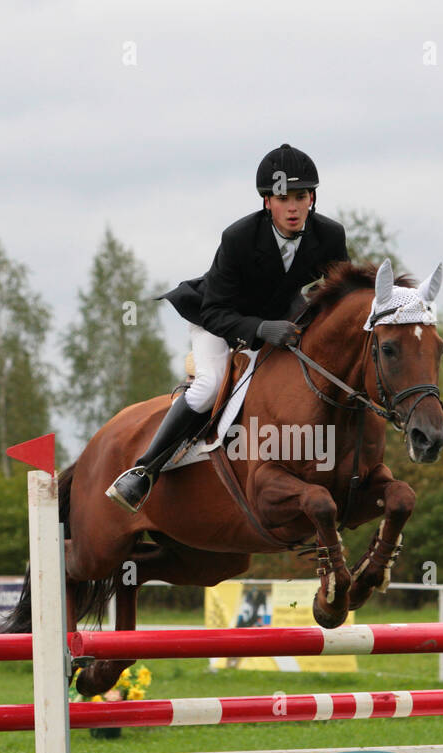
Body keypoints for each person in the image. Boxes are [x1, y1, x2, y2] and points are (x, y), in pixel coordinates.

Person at [105, 143, 350, 513]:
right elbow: (216, 310)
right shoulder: (239, 238)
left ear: (312, 198)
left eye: (301, 197)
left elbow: (338, 294)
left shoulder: (329, 235)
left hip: (279, 316)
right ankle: (144, 470)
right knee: (208, 388)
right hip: (216, 317)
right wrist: (261, 329)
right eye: (284, 198)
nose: (294, 207)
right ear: (268, 201)